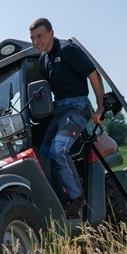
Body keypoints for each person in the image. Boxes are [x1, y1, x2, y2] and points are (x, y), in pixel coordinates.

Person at [29, 18, 105, 217]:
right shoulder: (43, 59)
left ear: (51, 34)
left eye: (40, 36)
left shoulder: (68, 50)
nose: (36, 42)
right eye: (32, 38)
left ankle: (77, 197)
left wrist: (100, 107)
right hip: (59, 110)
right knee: (43, 156)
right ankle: (60, 201)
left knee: (58, 150)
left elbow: (94, 76)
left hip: (78, 106)